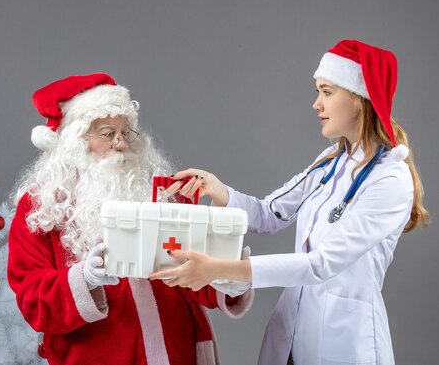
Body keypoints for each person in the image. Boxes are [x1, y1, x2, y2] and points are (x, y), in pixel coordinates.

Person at [150, 40, 431, 365]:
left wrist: (220, 270)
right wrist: (216, 188)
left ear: (358, 99)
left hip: (344, 340)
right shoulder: (330, 161)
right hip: (293, 332)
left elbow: (321, 264)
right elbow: (271, 213)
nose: (316, 104)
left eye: (326, 92)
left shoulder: (390, 179)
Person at [7, 73, 254, 365]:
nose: (121, 143)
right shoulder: (42, 206)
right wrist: (83, 280)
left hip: (179, 353)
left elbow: (190, 273)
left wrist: (227, 276)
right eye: (107, 133)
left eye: (126, 132)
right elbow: (32, 299)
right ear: (74, 141)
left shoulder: (163, 191)